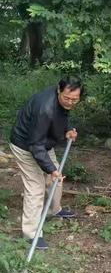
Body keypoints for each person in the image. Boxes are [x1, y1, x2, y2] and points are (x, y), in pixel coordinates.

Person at [9, 76, 83, 250]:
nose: (71, 103)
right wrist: (49, 169)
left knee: (56, 178)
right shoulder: (45, 108)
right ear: (59, 91)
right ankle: (31, 234)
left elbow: (61, 117)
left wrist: (67, 131)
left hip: (43, 143)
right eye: (67, 98)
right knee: (35, 187)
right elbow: (35, 145)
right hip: (26, 146)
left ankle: (53, 210)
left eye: (75, 99)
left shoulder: (63, 101)